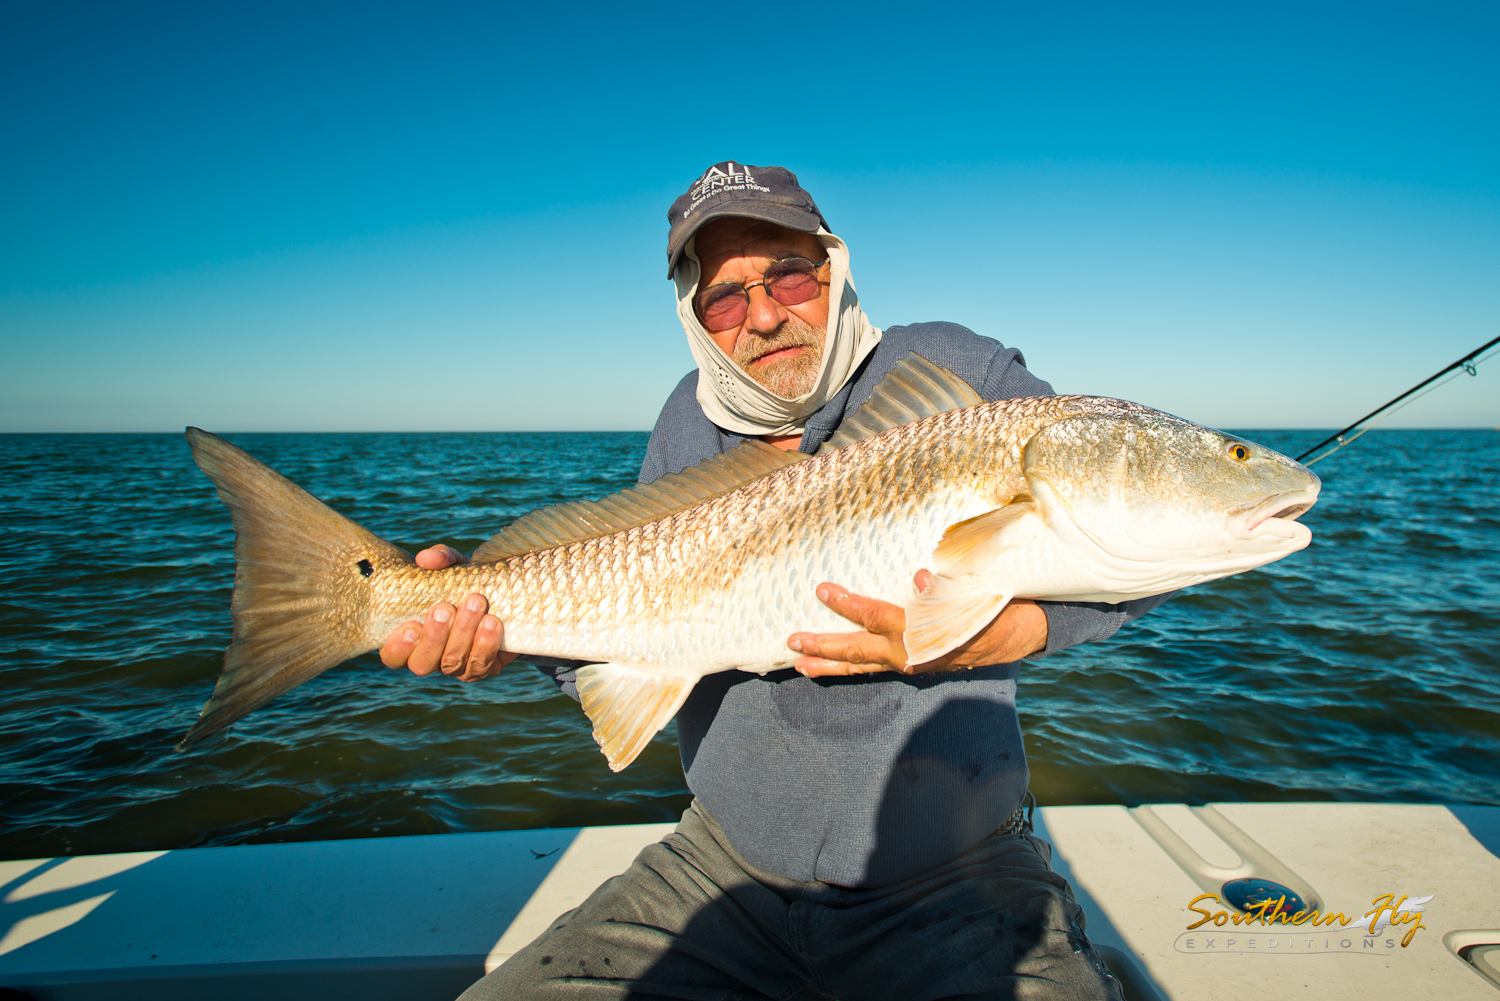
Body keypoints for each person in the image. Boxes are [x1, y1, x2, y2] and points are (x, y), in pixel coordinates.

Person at [382, 163, 1167, 1000]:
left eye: (789, 272)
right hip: (721, 867)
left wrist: (1006, 632)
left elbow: (1144, 536)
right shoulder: (688, 418)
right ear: (695, 315)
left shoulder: (959, 370)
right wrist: (496, 636)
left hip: (957, 875)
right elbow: (633, 618)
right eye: (723, 297)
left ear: (833, 265)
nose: (762, 313)